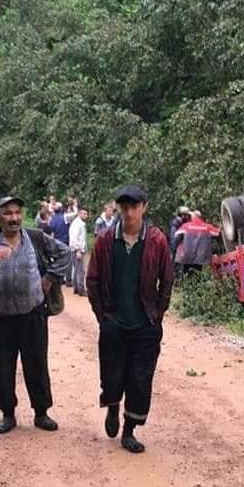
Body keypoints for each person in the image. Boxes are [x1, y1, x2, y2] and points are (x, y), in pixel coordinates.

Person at [0, 196, 70, 434]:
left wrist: (50, 278)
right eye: (8, 214)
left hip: (33, 314)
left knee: (37, 365)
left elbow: (65, 254)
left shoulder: (35, 237)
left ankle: (41, 413)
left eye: (17, 213)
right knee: (5, 366)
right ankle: (8, 414)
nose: (14, 218)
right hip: (1, 317)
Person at [86, 185, 174, 453]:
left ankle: (129, 430)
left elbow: (167, 279)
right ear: (118, 208)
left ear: (144, 207)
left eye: (134, 206)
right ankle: (112, 407)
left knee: (140, 378)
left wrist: (157, 315)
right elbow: (93, 280)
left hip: (144, 324)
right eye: (124, 206)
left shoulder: (157, 241)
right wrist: (103, 317)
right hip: (114, 323)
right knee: (112, 376)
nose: (128, 212)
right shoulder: (104, 240)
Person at [69, 207, 90, 296]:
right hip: (78, 249)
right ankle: (80, 289)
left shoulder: (80, 223)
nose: (86, 216)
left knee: (77, 269)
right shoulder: (77, 224)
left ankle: (76, 287)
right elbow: (74, 238)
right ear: (79, 213)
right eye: (84, 213)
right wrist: (78, 250)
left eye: (86, 214)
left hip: (78, 249)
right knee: (80, 270)